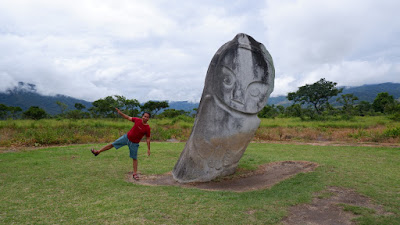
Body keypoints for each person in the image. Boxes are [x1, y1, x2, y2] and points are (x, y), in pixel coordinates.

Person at [91, 108, 151, 180]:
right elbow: (127, 117)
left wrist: (148, 149)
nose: (145, 118)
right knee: (112, 144)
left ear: (148, 119)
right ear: (142, 116)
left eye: (147, 117)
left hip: (134, 143)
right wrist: (120, 113)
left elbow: (148, 138)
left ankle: (135, 174)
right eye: (144, 116)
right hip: (126, 138)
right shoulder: (137, 120)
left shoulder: (147, 128)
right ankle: (98, 152)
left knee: (134, 158)